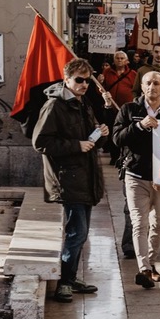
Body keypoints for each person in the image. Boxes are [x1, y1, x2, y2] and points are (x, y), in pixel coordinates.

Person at [32, 59, 108, 303]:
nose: (84, 84)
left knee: (80, 233)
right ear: (66, 79)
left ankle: (71, 277)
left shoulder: (82, 103)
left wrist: (100, 135)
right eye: (79, 79)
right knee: (77, 232)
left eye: (87, 80)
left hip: (84, 177)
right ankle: (64, 283)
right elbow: (41, 142)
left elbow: (90, 140)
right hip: (68, 178)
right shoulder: (55, 106)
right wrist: (76, 145)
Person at [112, 70, 160, 289]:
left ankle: (151, 265)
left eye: (156, 83)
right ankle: (143, 268)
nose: (152, 87)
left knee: (158, 223)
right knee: (139, 223)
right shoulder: (129, 110)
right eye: (148, 83)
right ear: (142, 87)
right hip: (135, 176)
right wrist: (139, 126)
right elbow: (116, 139)